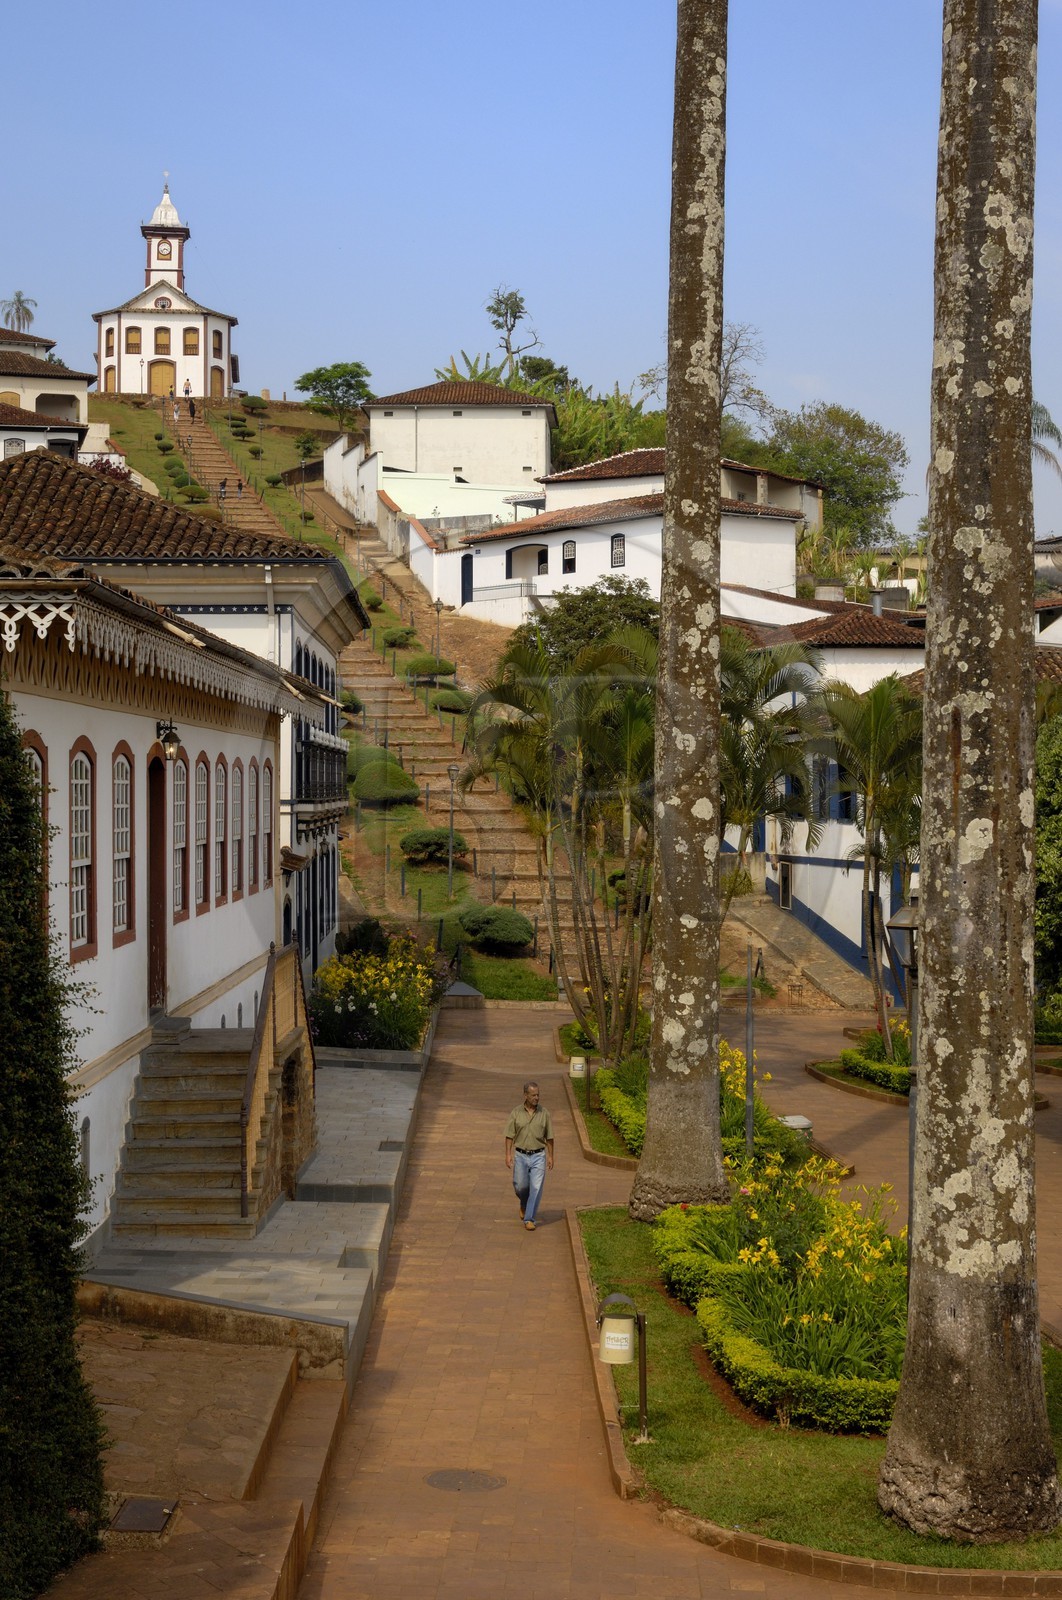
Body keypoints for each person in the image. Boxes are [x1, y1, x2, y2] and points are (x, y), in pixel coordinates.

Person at [504, 1081, 553, 1231]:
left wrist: (550, 1156)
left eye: (538, 1094)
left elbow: (549, 1137)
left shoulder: (544, 1113)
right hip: (521, 1155)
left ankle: (529, 1218)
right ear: (525, 1095)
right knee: (520, 1186)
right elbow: (509, 1135)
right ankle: (524, 1204)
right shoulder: (516, 1113)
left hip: (539, 1155)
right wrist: (508, 1154)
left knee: (536, 1188)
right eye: (533, 1095)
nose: (536, 1098)